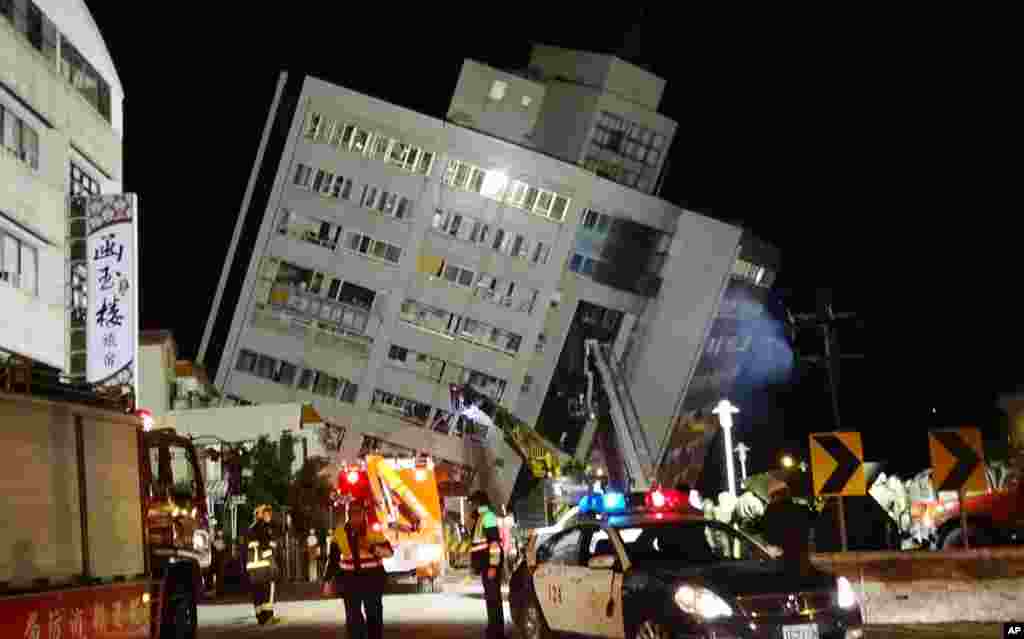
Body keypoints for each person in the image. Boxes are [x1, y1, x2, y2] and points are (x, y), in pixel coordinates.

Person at [325, 499, 393, 639]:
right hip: (349, 580)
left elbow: (389, 553)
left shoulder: (372, 531)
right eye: (353, 513)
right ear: (349, 515)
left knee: (373, 616)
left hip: (372, 579)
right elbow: (333, 559)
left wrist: (370, 547)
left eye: (359, 513)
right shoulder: (340, 532)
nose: (356, 517)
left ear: (364, 514)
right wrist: (327, 581)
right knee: (353, 618)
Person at [468, 490, 504, 639]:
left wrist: (493, 566)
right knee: (491, 599)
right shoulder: (481, 517)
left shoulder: (488, 517)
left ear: (479, 503)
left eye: (473, 503)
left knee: (494, 599)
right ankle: (493, 630)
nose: (472, 506)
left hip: (490, 564)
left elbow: (494, 543)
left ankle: (496, 632)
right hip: (486, 564)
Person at [762, 481, 816, 575]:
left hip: (782, 557)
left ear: (774, 495)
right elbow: (813, 521)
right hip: (801, 555)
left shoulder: (770, 511)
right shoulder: (801, 509)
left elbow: (767, 535)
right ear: (787, 493)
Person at [247, 504, 280, 625]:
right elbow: (266, 546)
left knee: (257, 591)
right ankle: (268, 616)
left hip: (252, 565)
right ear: (259, 515)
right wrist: (272, 562)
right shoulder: (262, 528)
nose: (268, 516)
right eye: (265, 513)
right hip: (264, 564)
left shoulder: (251, 528)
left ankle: (260, 617)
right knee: (268, 590)